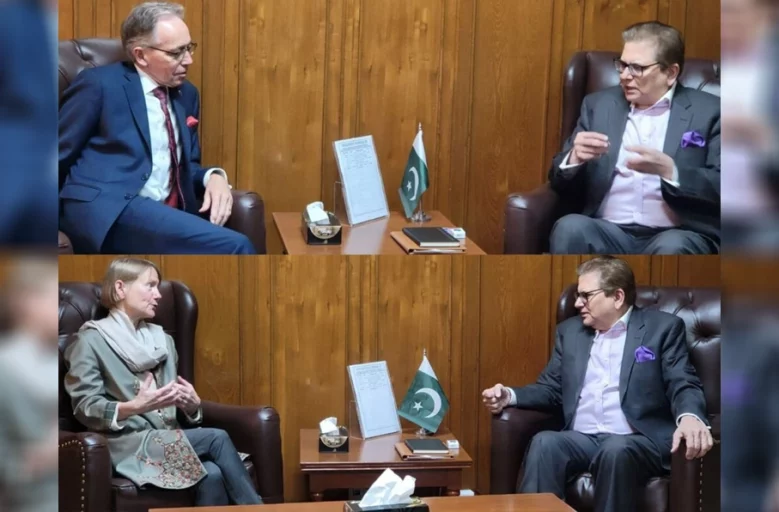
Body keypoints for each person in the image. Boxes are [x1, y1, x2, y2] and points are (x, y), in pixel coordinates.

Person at [482, 256, 713, 512]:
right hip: (582, 438)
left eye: (586, 295)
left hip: (637, 439)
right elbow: (551, 388)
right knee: (545, 443)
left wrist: (690, 416)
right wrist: (510, 396)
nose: (577, 303)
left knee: (615, 450)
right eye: (577, 295)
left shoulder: (662, 328)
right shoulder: (570, 332)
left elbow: (682, 381)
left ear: (617, 297)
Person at [59, 2, 256, 254]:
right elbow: (59, 152)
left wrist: (214, 177)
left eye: (189, 48)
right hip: (108, 207)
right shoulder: (99, 84)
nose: (189, 60)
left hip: (159, 213)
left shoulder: (187, 94)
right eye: (176, 53)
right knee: (236, 245)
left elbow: (188, 165)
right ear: (141, 55)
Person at [63, 258, 263, 506]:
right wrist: (132, 407)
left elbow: (173, 406)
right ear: (120, 288)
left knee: (212, 473)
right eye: (150, 285)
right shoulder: (89, 341)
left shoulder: (163, 341)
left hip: (166, 437)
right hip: (125, 443)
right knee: (216, 438)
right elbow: (85, 406)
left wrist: (192, 406)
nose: (158, 295)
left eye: (158, 287)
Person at [548, 21, 720, 255]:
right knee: (570, 228)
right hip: (607, 230)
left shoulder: (710, 111)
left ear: (671, 73)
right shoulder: (599, 105)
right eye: (622, 65)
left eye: (637, 68)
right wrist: (574, 158)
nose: (624, 76)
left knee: (673, 246)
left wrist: (672, 172)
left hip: (676, 232)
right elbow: (557, 180)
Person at [0, 257, 58, 512]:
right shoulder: (6, 367)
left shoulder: (52, 359)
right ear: (29, 301)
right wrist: (44, 456)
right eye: (53, 297)